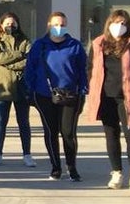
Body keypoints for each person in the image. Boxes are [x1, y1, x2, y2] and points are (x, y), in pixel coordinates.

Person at [84, 10, 130, 193]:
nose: (119, 26)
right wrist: (91, 86)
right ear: (109, 24)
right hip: (106, 96)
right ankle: (116, 173)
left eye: (123, 23)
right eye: (116, 22)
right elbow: (90, 68)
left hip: (128, 97)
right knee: (111, 135)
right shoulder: (98, 43)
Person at [23, 12, 88, 181]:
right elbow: (29, 68)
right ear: (49, 25)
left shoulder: (75, 45)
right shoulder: (39, 45)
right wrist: (30, 89)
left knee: (68, 132)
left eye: (62, 24)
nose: (59, 28)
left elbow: (83, 69)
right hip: (45, 95)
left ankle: (72, 167)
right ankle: (56, 167)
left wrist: (83, 90)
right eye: (56, 24)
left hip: (70, 95)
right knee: (51, 131)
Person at [0, 12, 35, 167]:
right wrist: (19, 55)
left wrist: (11, 64)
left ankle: (27, 154)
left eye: (13, 23)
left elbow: (30, 60)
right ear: (1, 25)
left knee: (24, 122)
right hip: (3, 88)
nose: (10, 26)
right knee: (1, 122)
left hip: (21, 88)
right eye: (7, 23)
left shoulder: (25, 40)